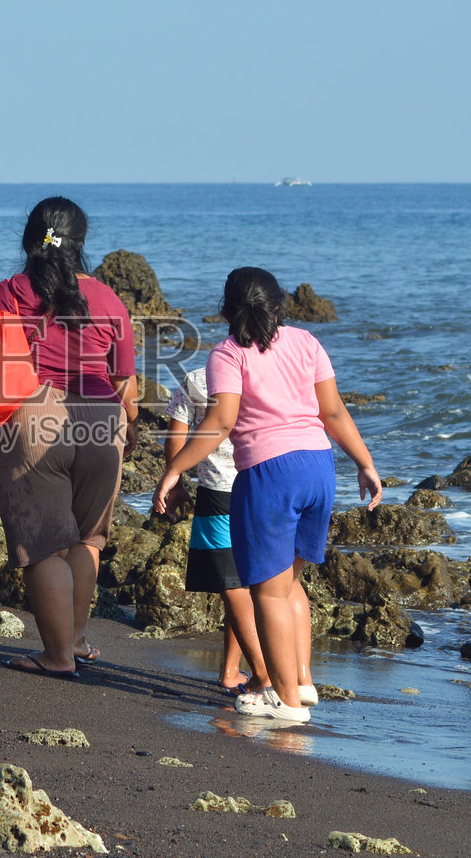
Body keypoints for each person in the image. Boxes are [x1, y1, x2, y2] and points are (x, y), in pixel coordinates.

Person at [152, 267, 382, 722]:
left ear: (224, 310)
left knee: (268, 593)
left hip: (269, 472)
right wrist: (366, 463)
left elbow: (220, 423)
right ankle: (300, 681)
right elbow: (332, 411)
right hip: (319, 468)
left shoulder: (227, 354)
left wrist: (174, 470)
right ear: (280, 307)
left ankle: (288, 704)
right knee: (290, 582)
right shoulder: (305, 342)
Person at [0, 197, 138, 678]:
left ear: (30, 240)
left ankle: (56, 656)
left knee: (43, 546)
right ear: (82, 245)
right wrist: (126, 431)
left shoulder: (9, 292)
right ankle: (77, 639)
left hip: (36, 417)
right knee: (88, 540)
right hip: (103, 421)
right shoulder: (110, 300)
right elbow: (126, 382)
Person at [163, 367, 270, 698]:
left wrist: (175, 479)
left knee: (231, 586)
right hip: (265, 486)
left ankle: (264, 673)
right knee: (244, 582)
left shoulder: (198, 378)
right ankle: (229, 671)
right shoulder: (265, 374)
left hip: (219, 490)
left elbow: (176, 434)